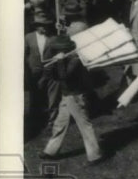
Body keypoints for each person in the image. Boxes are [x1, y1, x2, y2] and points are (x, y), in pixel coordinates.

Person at [38, 36, 106, 165]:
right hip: (67, 95)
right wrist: (50, 68)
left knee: (84, 125)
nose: (54, 53)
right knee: (60, 124)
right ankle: (51, 151)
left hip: (75, 96)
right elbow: (55, 77)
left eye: (56, 50)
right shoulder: (65, 58)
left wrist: (58, 62)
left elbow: (64, 76)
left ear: (63, 50)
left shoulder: (75, 60)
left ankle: (95, 155)